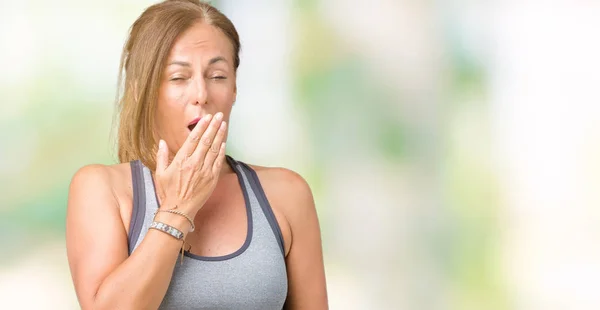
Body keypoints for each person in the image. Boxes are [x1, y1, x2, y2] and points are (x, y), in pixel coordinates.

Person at [65, 1, 328, 309]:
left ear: (234, 89)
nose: (202, 95)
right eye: (179, 78)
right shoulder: (101, 189)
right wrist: (179, 207)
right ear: (141, 89)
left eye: (218, 75)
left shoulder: (287, 193)